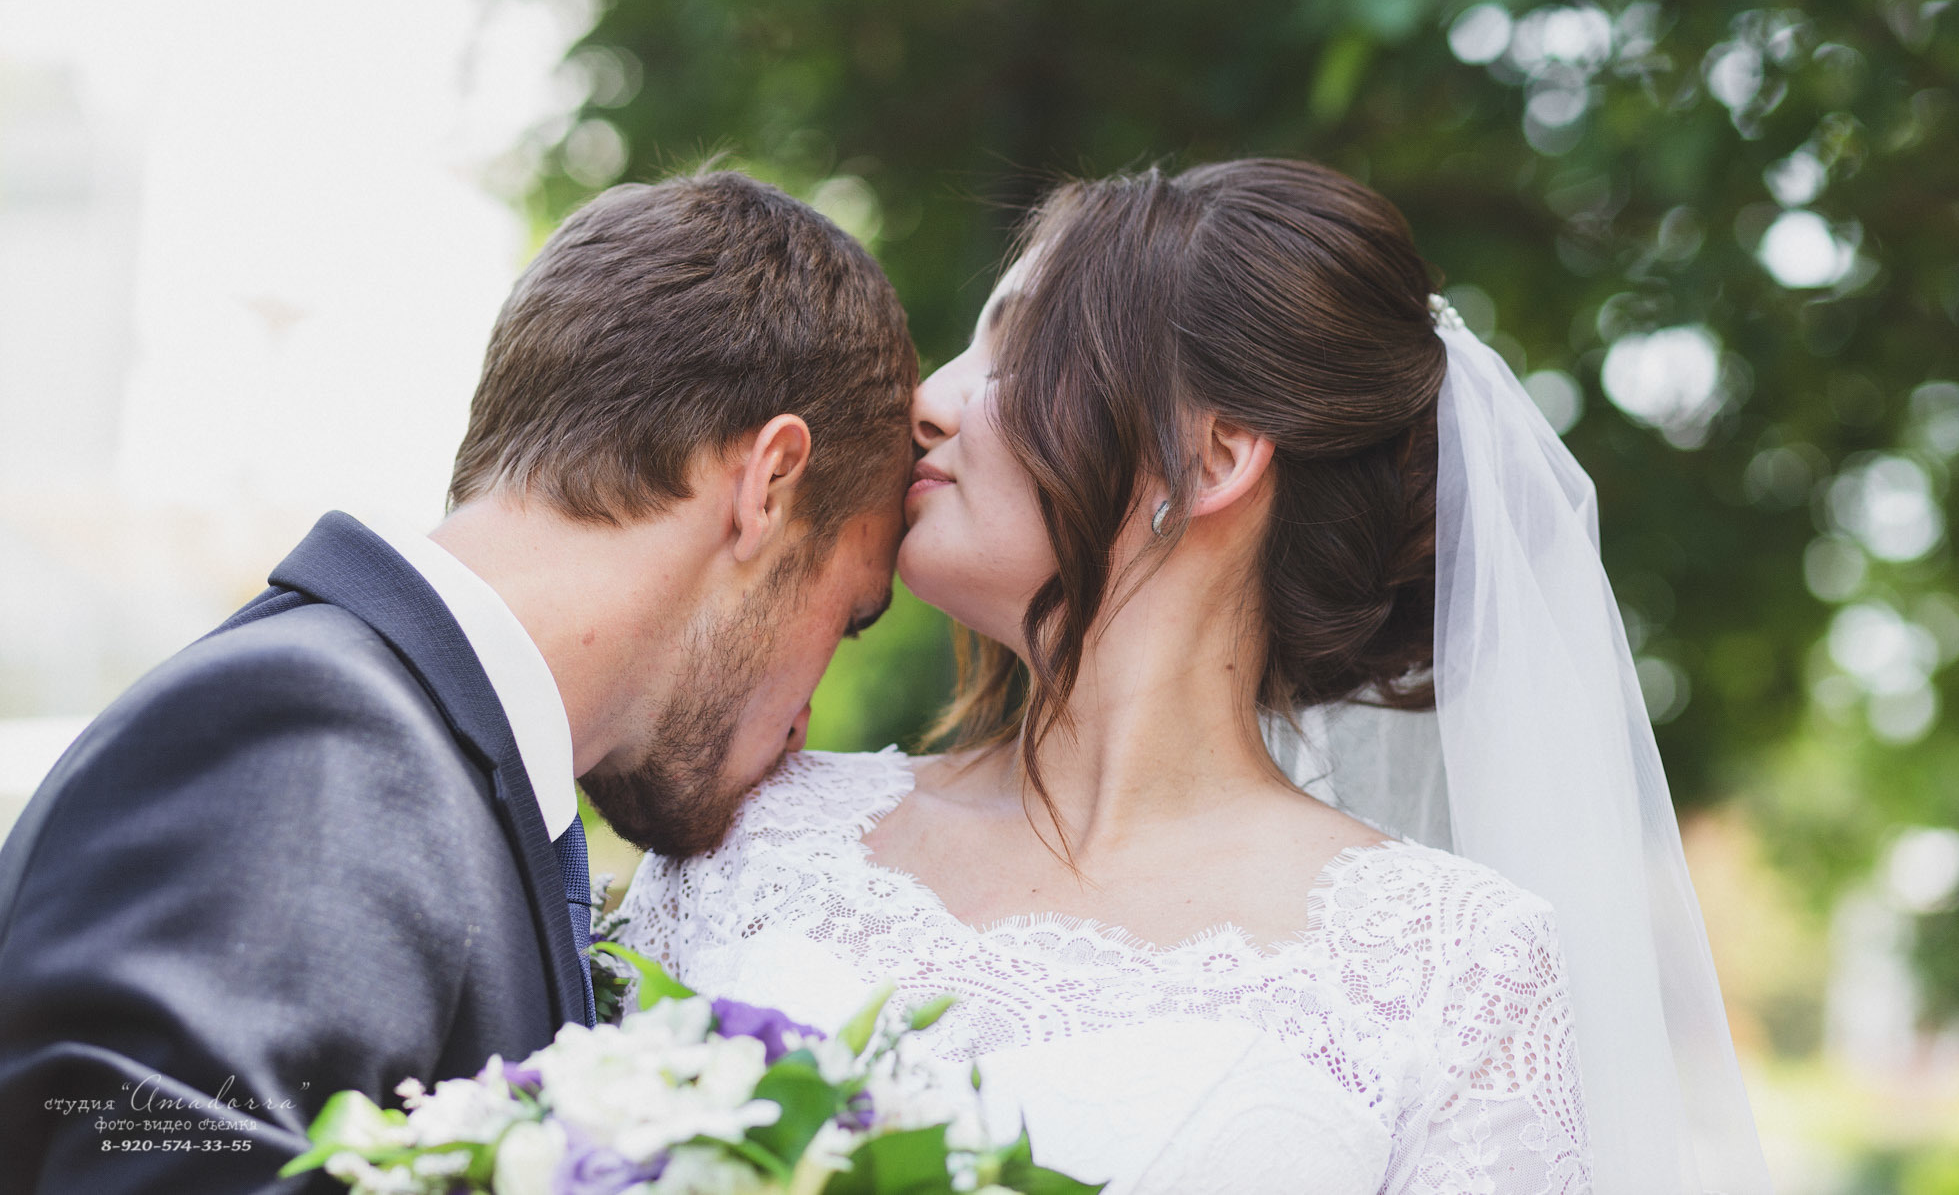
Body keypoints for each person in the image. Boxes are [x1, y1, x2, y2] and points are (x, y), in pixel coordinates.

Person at [619, 159, 1772, 1193]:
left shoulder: (1451, 967)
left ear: (1210, 456)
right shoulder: (753, 838)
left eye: (1011, 350)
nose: (928, 399)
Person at [0, 170, 917, 1193]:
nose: (801, 723)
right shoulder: (312, 739)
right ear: (769, 483)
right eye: (850, 613)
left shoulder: (413, 758)